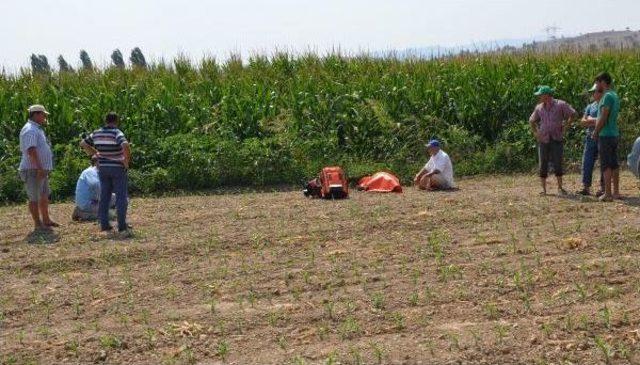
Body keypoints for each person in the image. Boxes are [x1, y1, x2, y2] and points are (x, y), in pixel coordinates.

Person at [80, 112, 132, 232]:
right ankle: (122, 225)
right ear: (116, 121)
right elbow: (125, 145)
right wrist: (126, 160)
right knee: (121, 197)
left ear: (105, 120)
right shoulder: (116, 132)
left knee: (105, 196)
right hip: (117, 167)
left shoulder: (97, 132)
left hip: (102, 167)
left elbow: (83, 143)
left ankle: (104, 224)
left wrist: (95, 153)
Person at [529, 86, 576, 196]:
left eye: (540, 95)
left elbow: (573, 114)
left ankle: (560, 188)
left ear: (547, 95)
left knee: (558, 162)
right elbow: (532, 120)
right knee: (543, 163)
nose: (539, 97)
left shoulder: (560, 104)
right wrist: (536, 133)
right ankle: (544, 190)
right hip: (544, 139)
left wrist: (566, 126)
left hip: (556, 137)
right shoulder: (539, 108)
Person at [18, 104, 59, 231]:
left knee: (44, 195)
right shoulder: (30, 129)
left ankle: (46, 220)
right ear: (36, 114)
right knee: (34, 197)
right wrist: (40, 168)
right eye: (43, 115)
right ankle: (37, 223)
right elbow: (31, 150)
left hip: (39, 169)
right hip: (33, 170)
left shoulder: (36, 128)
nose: (45, 117)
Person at [592, 72, 621, 202]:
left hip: (606, 135)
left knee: (606, 165)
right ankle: (616, 192)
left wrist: (596, 131)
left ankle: (608, 194)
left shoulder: (606, 96)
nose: (596, 85)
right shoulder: (614, 95)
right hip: (614, 133)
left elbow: (604, 116)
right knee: (614, 164)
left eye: (597, 82)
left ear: (603, 82)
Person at [576, 84, 604, 196]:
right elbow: (582, 122)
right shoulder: (590, 106)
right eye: (593, 92)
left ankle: (603, 188)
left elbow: (604, 119)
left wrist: (590, 119)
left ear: (601, 92)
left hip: (602, 136)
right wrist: (596, 120)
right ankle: (586, 187)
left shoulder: (605, 105)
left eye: (595, 91)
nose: (594, 94)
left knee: (603, 163)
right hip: (590, 136)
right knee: (587, 161)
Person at [71, 156, 116, 221]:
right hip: (88, 203)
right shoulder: (90, 172)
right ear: (96, 162)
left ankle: (100, 210)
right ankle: (80, 213)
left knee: (118, 198)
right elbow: (97, 188)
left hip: (93, 200)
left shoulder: (96, 172)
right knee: (111, 215)